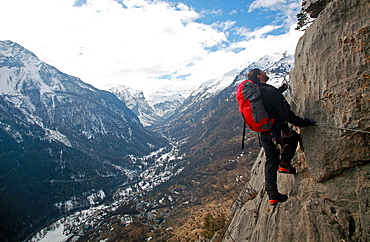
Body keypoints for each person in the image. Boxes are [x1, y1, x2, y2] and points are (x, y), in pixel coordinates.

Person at [246, 68, 316, 205]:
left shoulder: (255, 94)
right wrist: (304, 123)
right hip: (277, 130)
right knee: (293, 137)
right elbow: (285, 114)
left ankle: (272, 195)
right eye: (263, 72)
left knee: (271, 160)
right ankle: (284, 163)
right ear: (259, 76)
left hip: (264, 132)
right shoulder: (269, 91)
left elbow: (266, 102)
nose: (266, 73)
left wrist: (280, 91)